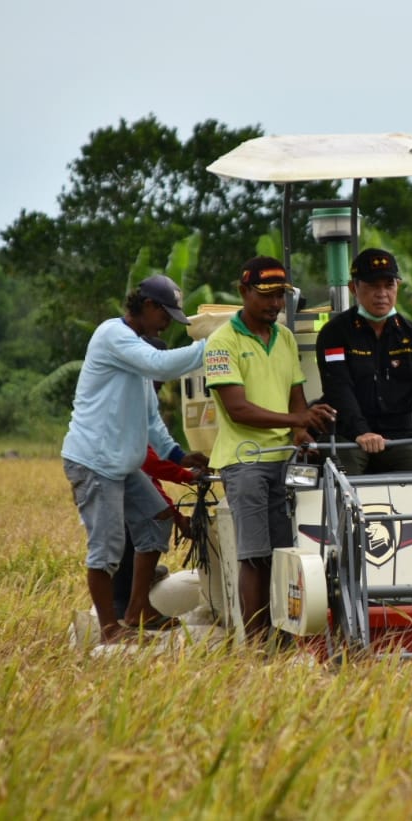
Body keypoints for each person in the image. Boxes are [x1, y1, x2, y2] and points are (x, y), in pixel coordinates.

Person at [61, 274, 207, 645]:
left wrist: (179, 455)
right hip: (95, 463)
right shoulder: (114, 336)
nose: (167, 324)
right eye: (165, 315)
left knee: (158, 517)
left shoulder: (136, 354)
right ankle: (110, 630)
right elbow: (161, 365)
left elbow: (151, 420)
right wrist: (215, 346)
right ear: (148, 306)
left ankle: (139, 608)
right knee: (106, 550)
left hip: (122, 465)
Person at [203, 256, 336, 642]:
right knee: (256, 556)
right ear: (243, 292)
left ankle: (285, 641)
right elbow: (238, 409)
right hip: (245, 462)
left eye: (280, 295)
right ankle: (258, 645)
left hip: (284, 460)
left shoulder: (286, 338)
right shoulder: (221, 343)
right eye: (266, 295)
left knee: (286, 555)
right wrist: (298, 421)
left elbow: (298, 397)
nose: (275, 304)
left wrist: (302, 435)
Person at [315, 248, 412, 475]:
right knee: (340, 483)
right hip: (347, 436)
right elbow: (338, 388)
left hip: (399, 437)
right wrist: (361, 432)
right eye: (372, 286)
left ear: (397, 286)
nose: (382, 293)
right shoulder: (334, 333)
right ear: (354, 288)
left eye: (389, 285)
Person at [111, 336, 209, 623]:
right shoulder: (132, 396)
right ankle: (127, 608)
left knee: (143, 528)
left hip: (121, 477)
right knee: (142, 529)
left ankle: (130, 601)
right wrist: (185, 475)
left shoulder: (138, 393)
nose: (161, 384)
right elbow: (146, 460)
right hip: (114, 477)